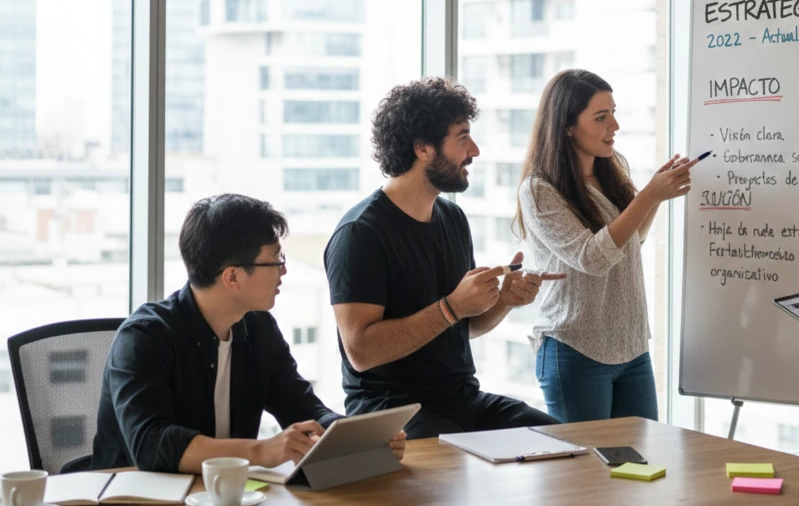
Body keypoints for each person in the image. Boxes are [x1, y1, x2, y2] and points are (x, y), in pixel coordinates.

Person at [91, 194, 406, 473]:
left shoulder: (258, 329)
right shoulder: (144, 337)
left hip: (227, 497)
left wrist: (357, 437)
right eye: (275, 260)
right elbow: (152, 444)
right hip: (131, 505)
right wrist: (263, 451)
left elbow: (302, 408)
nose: (284, 271)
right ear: (232, 277)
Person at [325, 77, 564, 439]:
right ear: (423, 148)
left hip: (462, 400)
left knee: (562, 443)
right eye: (462, 137)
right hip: (394, 411)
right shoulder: (360, 233)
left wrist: (503, 302)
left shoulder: (453, 219)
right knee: (453, 475)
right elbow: (360, 350)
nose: (475, 150)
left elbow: (461, 326)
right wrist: (451, 306)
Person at [515, 69, 697, 422]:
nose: (614, 126)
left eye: (614, 113)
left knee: (639, 466)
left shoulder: (610, 170)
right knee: (585, 473)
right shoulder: (539, 190)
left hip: (631, 346)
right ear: (567, 126)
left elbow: (632, 240)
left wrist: (656, 197)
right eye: (601, 117)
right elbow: (593, 258)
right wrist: (648, 196)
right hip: (575, 349)